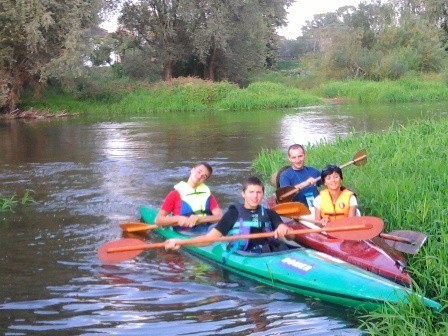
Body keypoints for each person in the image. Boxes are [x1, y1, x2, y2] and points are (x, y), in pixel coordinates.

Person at [165, 176, 291, 252]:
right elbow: (209, 239)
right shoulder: (233, 214)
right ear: (243, 194)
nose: (255, 196)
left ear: (263, 194)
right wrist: (180, 242)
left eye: (258, 192)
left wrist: (282, 229)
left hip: (268, 252)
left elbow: (281, 226)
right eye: (251, 192)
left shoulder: (270, 213)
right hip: (245, 253)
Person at [155, 162, 223, 234]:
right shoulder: (175, 194)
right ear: (192, 170)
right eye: (199, 172)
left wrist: (200, 219)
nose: (199, 176)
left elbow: (220, 217)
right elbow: (158, 220)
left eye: (203, 176)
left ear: (204, 180)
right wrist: (178, 219)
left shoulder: (208, 195)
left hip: (207, 230)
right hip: (186, 232)